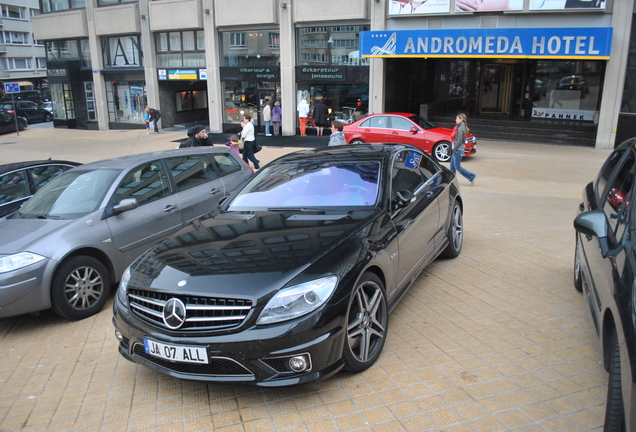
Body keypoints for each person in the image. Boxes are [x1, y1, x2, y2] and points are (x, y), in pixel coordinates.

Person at [450, 113, 476, 186]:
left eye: (457, 118)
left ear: (461, 119)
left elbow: (459, 140)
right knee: (452, 166)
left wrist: (454, 148)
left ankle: (471, 176)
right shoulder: (461, 126)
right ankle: (451, 180)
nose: (455, 120)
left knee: (457, 166)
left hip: (458, 149)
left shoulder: (461, 128)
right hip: (457, 149)